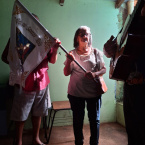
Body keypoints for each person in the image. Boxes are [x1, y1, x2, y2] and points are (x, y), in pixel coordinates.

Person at [1, 14, 61, 145]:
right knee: (20, 115)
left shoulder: (45, 39)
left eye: (37, 24)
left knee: (38, 112)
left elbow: (52, 60)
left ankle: (35, 139)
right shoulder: (17, 38)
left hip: (42, 82)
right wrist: (18, 66)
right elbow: (4, 57)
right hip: (24, 82)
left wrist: (55, 48)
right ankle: (19, 142)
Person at [103, 2, 145, 145]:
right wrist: (108, 51)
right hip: (131, 88)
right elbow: (119, 46)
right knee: (133, 134)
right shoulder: (133, 21)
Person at [63, 26, 106, 145]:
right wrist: (68, 61)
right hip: (75, 94)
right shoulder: (71, 54)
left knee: (95, 121)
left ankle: (94, 143)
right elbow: (66, 73)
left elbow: (103, 69)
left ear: (90, 37)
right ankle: (79, 142)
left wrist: (94, 74)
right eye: (81, 34)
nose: (84, 36)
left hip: (94, 93)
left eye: (86, 34)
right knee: (77, 121)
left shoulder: (96, 52)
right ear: (77, 37)